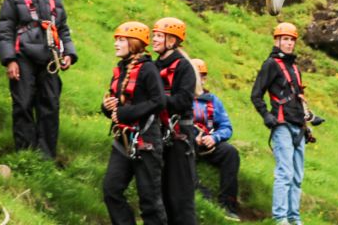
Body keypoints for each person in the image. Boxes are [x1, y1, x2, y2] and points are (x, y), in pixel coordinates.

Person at [0, 0, 77, 158]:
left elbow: (64, 29)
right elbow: (5, 31)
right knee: (23, 104)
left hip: (50, 57)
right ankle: (25, 153)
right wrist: (9, 61)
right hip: (23, 57)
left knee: (50, 105)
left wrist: (68, 53)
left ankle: (46, 156)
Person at [102, 21, 168, 225]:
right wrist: (107, 106)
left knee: (149, 200)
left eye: (121, 40)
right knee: (111, 190)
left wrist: (124, 113)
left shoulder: (148, 69)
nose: (116, 44)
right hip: (123, 140)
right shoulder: (121, 69)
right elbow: (115, 106)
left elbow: (158, 102)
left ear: (134, 43)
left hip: (146, 140)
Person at [250, 22, 312, 225]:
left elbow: (298, 97)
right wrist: (266, 115)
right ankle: (280, 218)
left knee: (297, 175)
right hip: (282, 124)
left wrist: (309, 119)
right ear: (277, 41)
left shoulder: (294, 67)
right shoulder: (271, 64)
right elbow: (256, 94)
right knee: (285, 172)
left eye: (292, 40)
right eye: (285, 39)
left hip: (299, 126)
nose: (289, 43)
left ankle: (294, 217)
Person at [152, 17, 198, 225]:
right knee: (161, 192)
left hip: (180, 135)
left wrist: (157, 101)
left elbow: (183, 100)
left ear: (172, 40)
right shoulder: (153, 66)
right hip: (158, 133)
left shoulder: (184, 67)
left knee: (180, 194)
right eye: (154, 35)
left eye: (159, 36)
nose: (154, 39)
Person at [191, 58, 241, 221]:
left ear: (204, 79)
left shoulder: (213, 101)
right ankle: (201, 194)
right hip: (187, 144)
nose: (198, 81)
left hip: (208, 144)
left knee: (230, 153)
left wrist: (214, 137)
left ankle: (228, 204)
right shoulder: (180, 98)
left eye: (201, 77)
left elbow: (226, 127)